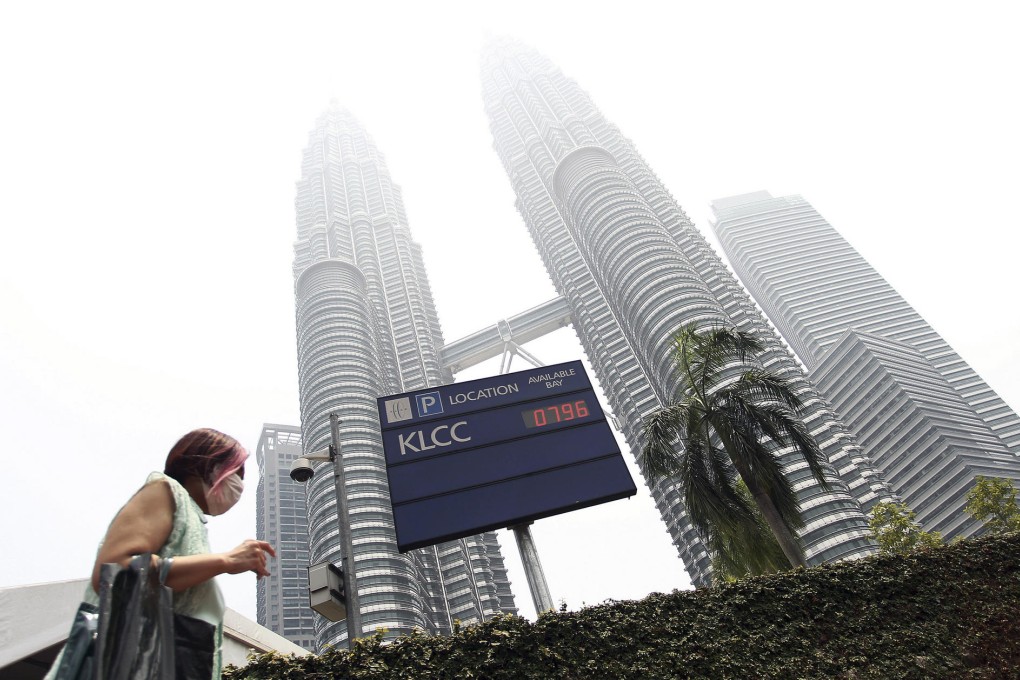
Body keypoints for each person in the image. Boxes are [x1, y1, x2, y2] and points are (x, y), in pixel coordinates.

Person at [45, 428, 276, 679]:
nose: (240, 485)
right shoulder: (165, 490)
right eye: (235, 473)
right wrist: (225, 560)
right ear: (205, 464)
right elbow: (113, 569)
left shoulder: (194, 521)